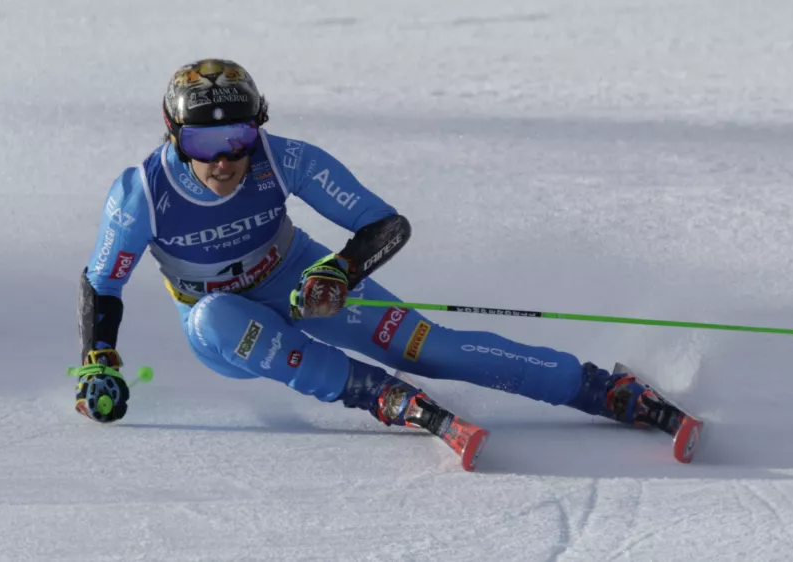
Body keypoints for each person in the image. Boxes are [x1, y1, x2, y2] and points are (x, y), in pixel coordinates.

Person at [72, 58, 661, 435]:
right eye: (205, 141)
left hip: (297, 280)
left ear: (259, 127)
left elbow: (384, 224)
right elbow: (103, 283)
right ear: (175, 137)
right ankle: (376, 396)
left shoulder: (284, 159)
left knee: (433, 348)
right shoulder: (142, 194)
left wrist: (339, 271)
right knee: (216, 315)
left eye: (239, 136)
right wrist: (98, 361)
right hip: (222, 331)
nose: (225, 159)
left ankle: (594, 388)